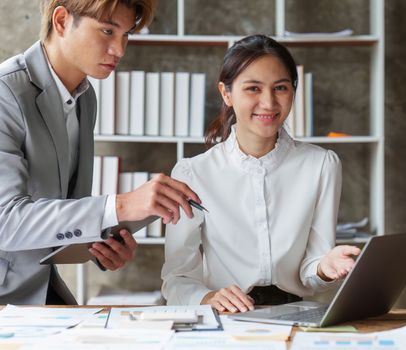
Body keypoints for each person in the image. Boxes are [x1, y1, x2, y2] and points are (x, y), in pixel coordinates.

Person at [0, 0, 200, 305]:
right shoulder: (6, 94)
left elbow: (63, 209)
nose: (119, 50)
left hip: (37, 291)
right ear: (62, 21)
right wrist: (119, 207)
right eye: (107, 31)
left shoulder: (84, 98)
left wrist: (98, 241)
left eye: (126, 35)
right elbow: (5, 222)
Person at [161, 34, 361, 313]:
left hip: (300, 315)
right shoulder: (192, 173)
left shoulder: (322, 165)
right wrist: (208, 298)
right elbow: (177, 277)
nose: (268, 103)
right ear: (226, 93)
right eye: (253, 88)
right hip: (226, 317)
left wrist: (325, 268)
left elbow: (312, 274)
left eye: (280, 88)